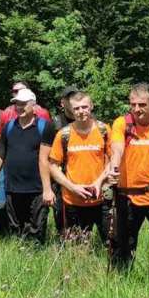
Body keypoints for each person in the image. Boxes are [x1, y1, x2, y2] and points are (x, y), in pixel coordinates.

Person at [108, 83, 149, 289]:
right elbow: (117, 147)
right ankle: (120, 286)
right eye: (133, 104)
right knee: (124, 244)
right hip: (127, 197)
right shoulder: (122, 123)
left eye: (142, 105)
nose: (136, 109)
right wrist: (114, 165)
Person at [0, 89, 55, 242]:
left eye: (24, 104)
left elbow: (45, 160)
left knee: (36, 228)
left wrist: (47, 189)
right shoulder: (8, 127)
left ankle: (36, 259)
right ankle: (18, 256)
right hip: (13, 188)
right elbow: (0, 154)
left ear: (34, 105)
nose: (19, 107)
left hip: (37, 188)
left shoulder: (45, 127)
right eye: (17, 104)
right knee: (15, 227)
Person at [48, 90, 111, 245]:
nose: (81, 112)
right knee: (75, 247)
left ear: (91, 106)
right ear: (71, 110)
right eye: (76, 108)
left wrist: (99, 182)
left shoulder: (104, 130)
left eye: (84, 107)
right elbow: (53, 166)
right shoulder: (64, 134)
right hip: (72, 201)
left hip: (101, 200)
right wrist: (72, 187)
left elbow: (113, 161)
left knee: (110, 245)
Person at [50, 85, 79, 236]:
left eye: (76, 97)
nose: (73, 102)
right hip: (60, 178)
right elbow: (46, 155)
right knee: (62, 215)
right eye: (69, 98)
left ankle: (83, 243)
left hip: (83, 176)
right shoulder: (55, 124)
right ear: (63, 103)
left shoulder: (89, 121)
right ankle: (64, 245)